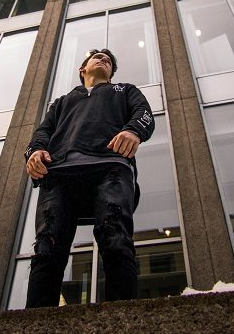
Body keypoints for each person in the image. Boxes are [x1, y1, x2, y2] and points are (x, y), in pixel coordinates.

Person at [24, 48, 155, 307]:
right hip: (59, 174)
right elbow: (42, 132)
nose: (104, 59)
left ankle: (124, 316)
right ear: (82, 70)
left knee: (115, 236)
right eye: (98, 57)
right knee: (47, 246)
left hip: (111, 167)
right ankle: (35, 318)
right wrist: (35, 151)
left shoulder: (125, 90)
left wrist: (134, 131)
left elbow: (144, 114)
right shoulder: (61, 102)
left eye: (109, 60)